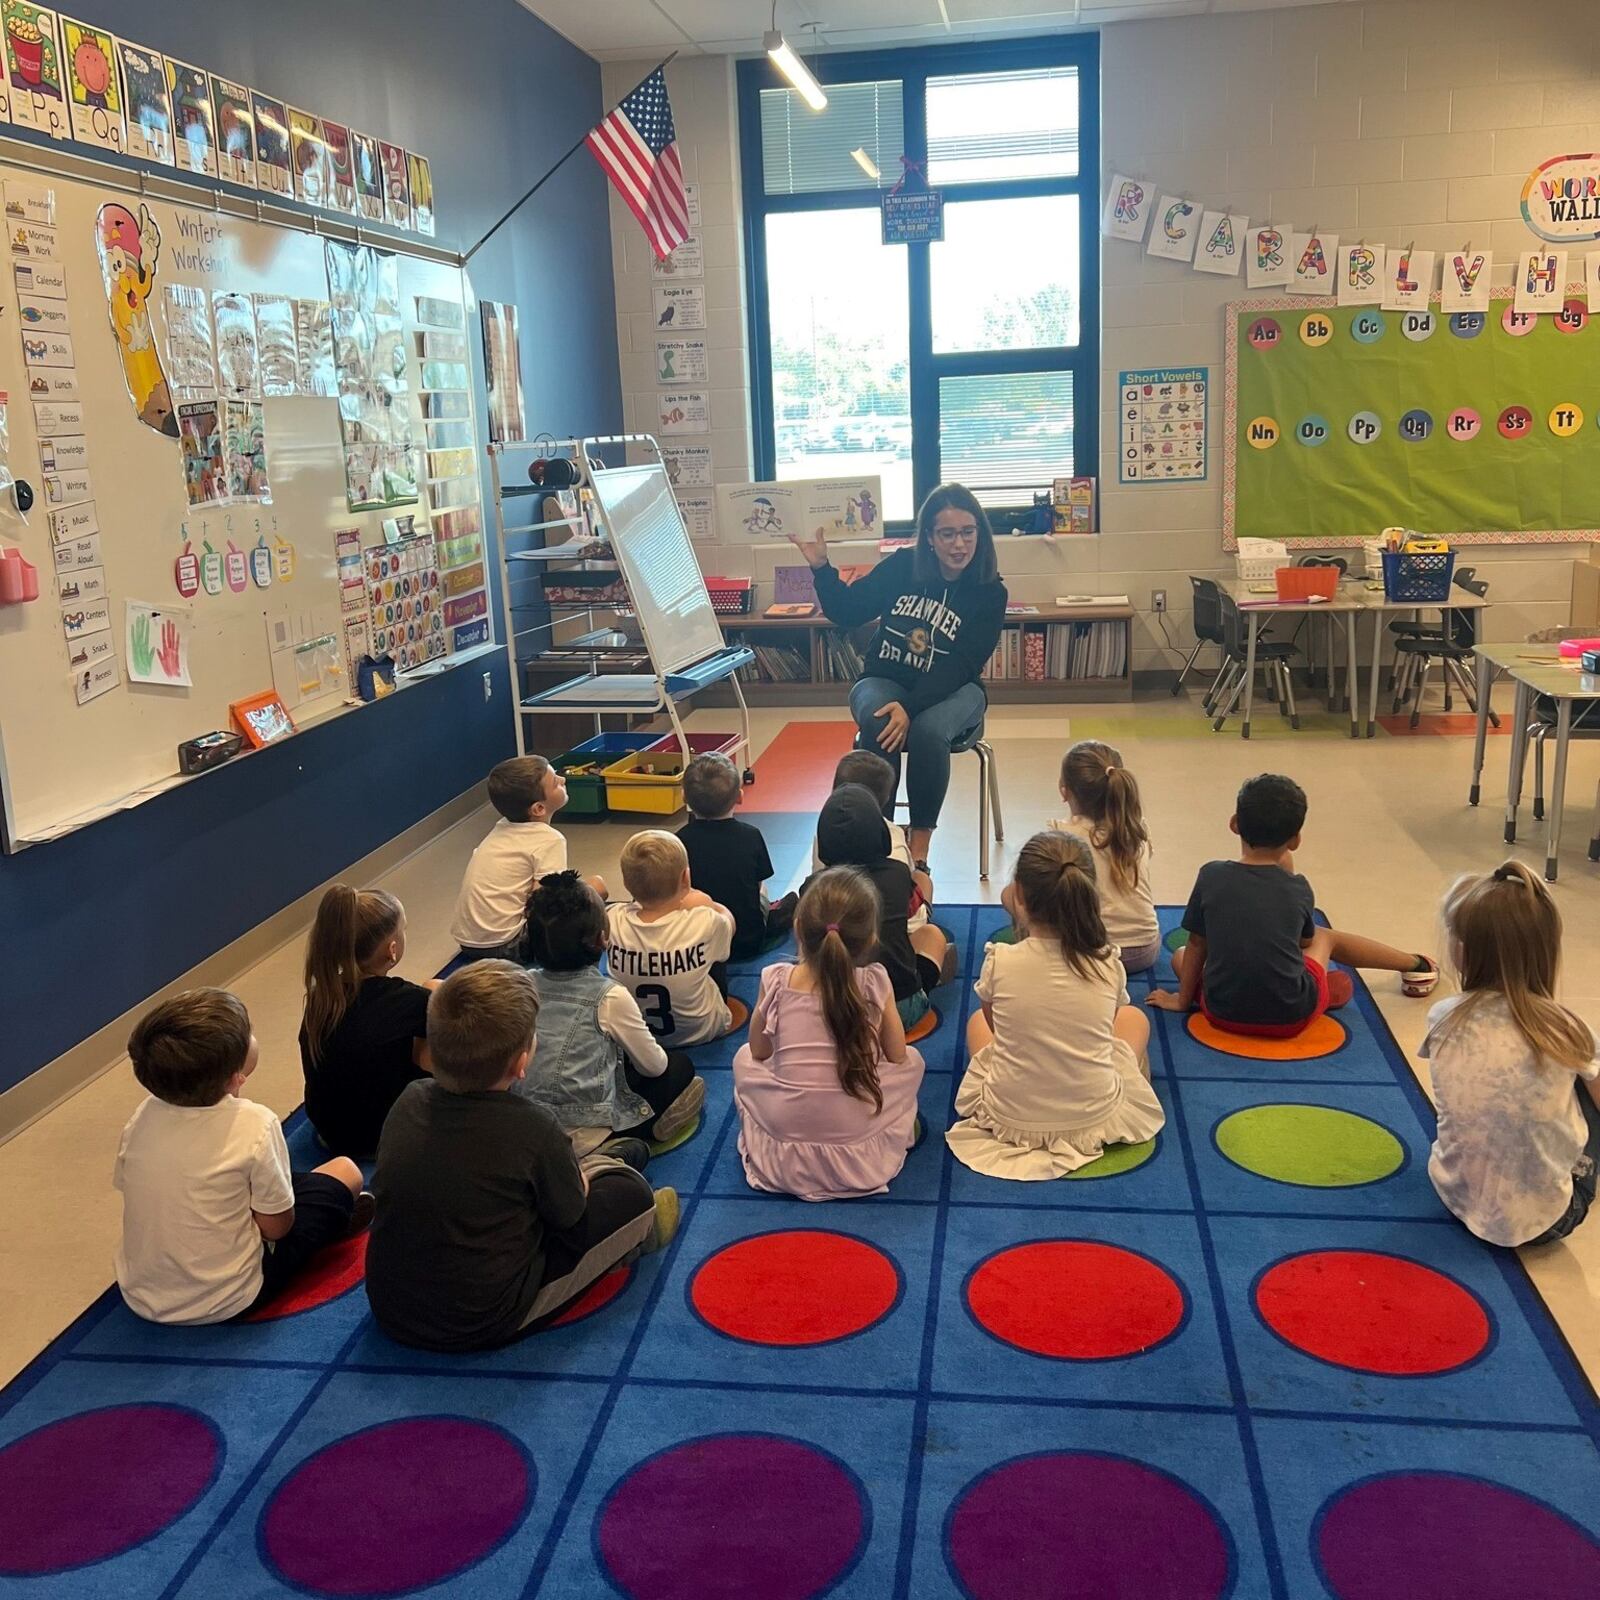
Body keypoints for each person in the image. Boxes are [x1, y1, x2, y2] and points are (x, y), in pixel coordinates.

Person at [365, 962, 678, 1352]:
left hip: (391, 1302)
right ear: (522, 1062)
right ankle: (617, 1191)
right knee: (634, 1197)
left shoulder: (408, 1099)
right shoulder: (534, 1126)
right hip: (486, 1316)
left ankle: (598, 1166)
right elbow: (569, 1217)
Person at [115, 989, 370, 1325]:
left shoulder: (142, 1117)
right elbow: (277, 1229)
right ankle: (330, 1225)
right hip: (232, 1295)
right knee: (346, 1172)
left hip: (141, 1292)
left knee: (266, 1184)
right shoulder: (254, 1123)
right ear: (236, 1077)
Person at [788, 482, 1007, 867]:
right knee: (880, 720)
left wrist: (910, 705)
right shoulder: (905, 566)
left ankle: (918, 849)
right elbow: (849, 610)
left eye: (968, 532)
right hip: (885, 677)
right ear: (929, 537)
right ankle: (881, 834)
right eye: (948, 533)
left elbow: (961, 665)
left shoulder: (990, 592)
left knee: (926, 730)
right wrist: (821, 567)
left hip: (956, 688)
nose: (959, 544)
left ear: (980, 534)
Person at [1149, 773, 1438, 1035]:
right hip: (1291, 1018)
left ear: (1234, 824)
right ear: (1296, 840)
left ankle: (1320, 989)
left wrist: (1180, 1001)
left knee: (1182, 954)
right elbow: (1303, 943)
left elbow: (1198, 944)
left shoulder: (1210, 875)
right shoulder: (1297, 888)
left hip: (1221, 1012)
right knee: (1326, 937)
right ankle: (1415, 964)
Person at [948, 833, 1164, 1181]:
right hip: (1091, 1116)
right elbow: (1106, 1028)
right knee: (1135, 1019)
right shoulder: (1107, 962)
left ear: (1018, 895)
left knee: (976, 1022)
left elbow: (996, 1028)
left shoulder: (999, 961)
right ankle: (1131, 1076)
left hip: (1012, 1116)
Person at [1422, 861, 1600, 1248]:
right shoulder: (1565, 1029)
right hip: (1548, 1222)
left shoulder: (1442, 1016)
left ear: (1462, 951)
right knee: (1587, 1078)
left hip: (1452, 1191)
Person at [733, 867, 925, 1200]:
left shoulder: (775, 979)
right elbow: (897, 1055)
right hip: (855, 1147)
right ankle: (892, 1128)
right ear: (871, 939)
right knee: (914, 1061)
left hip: (785, 1155)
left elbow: (758, 1050)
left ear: (797, 929)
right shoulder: (875, 981)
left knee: (742, 1059)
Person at [521, 871, 705, 1155]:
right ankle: (617, 1145)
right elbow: (654, 1066)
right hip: (587, 1129)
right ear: (602, 940)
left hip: (529, 1125)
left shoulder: (523, 985)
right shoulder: (610, 996)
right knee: (680, 1066)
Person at [299, 885, 432, 1156]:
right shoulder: (409, 1001)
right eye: (403, 929)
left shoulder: (321, 996)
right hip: (381, 1136)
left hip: (328, 1131)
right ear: (392, 950)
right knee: (438, 1039)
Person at [810, 783, 954, 1029]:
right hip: (897, 1011)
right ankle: (923, 982)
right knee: (931, 934)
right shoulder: (897, 873)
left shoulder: (811, 888)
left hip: (828, 1014)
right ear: (880, 833)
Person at [450, 755, 603, 963]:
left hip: (468, 943)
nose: (563, 780)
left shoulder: (500, 827)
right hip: (508, 946)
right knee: (597, 886)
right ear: (539, 809)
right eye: (555, 782)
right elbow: (546, 900)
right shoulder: (549, 840)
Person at [605, 830, 735, 1047]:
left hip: (638, 1034)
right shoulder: (704, 920)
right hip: (704, 1030)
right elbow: (729, 924)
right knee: (716, 947)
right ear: (686, 877)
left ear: (626, 883)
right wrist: (708, 903)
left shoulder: (612, 919)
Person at [1049, 740, 1160, 975]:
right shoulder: (1137, 829)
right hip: (1144, 950)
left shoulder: (1061, 835)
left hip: (1089, 952)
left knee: (1015, 896)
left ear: (1064, 791)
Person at [677, 752, 796, 960]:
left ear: (684, 797)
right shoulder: (751, 836)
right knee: (763, 889)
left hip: (696, 943)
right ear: (740, 796)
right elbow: (758, 883)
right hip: (747, 940)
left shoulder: (678, 842)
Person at [812, 750, 931, 933]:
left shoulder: (823, 839)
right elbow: (910, 915)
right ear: (884, 800)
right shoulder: (896, 868)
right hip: (892, 951)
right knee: (922, 880)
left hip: (830, 948)